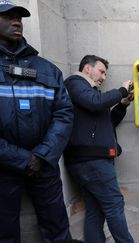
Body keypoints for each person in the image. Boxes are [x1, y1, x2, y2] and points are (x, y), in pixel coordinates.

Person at [0, 1, 74, 242]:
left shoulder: (48, 70)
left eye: (19, 18)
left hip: (44, 165)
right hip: (4, 168)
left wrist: (41, 156)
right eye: (8, 17)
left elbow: (64, 115)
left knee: (58, 231)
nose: (16, 22)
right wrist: (23, 160)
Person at [63, 55, 134, 243]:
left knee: (96, 211)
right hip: (92, 162)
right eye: (101, 71)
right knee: (114, 205)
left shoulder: (91, 93)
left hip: (90, 160)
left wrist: (122, 104)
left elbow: (107, 123)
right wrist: (121, 90)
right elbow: (95, 102)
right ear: (87, 68)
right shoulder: (75, 83)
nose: (103, 77)